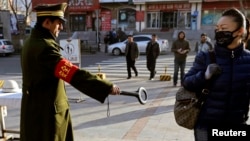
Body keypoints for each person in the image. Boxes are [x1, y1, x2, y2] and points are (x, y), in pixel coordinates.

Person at [20, 3, 120, 141]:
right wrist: (106, 86)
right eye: (58, 23)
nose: (61, 27)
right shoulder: (45, 48)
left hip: (35, 113)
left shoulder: (31, 42)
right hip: (47, 118)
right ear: (47, 22)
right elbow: (73, 74)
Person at [183, 8, 250, 141]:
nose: (219, 32)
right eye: (217, 28)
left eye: (223, 28)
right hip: (206, 126)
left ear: (239, 31)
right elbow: (186, 82)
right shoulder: (206, 56)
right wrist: (204, 75)